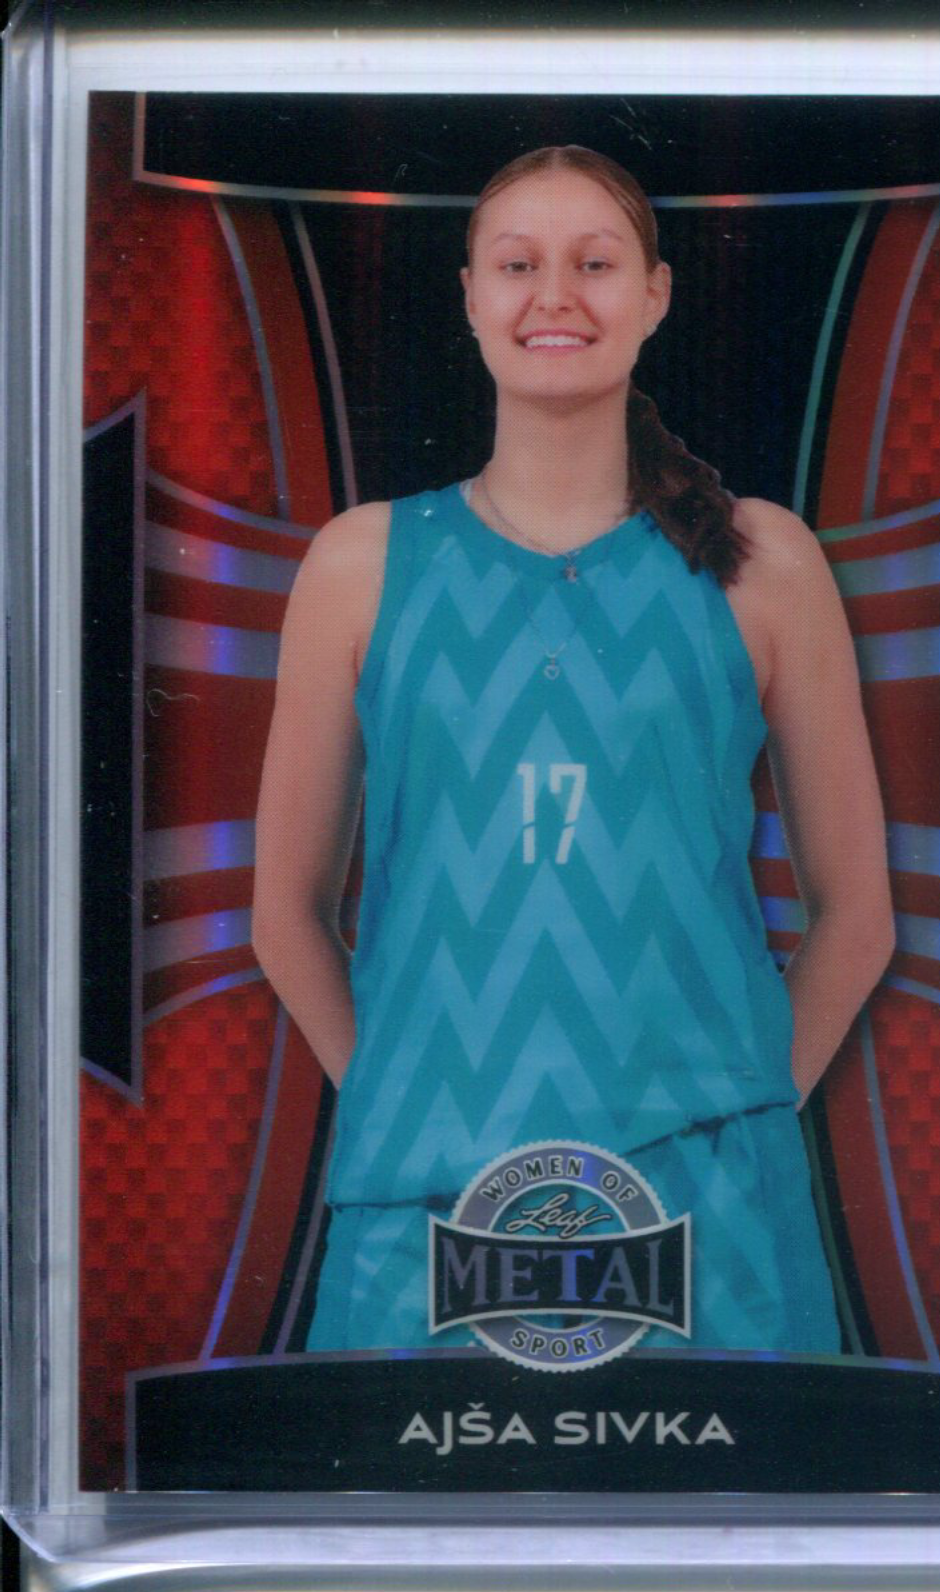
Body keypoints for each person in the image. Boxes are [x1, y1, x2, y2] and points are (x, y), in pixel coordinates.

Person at [252, 145, 895, 1357]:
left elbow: (857, 915)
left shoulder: (762, 561)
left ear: (654, 295)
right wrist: (408, 1105)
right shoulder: (359, 563)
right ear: (469, 297)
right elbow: (285, 913)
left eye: (594, 264)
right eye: (518, 265)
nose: (555, 295)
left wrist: (736, 1113)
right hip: (418, 1223)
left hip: (720, 1227)